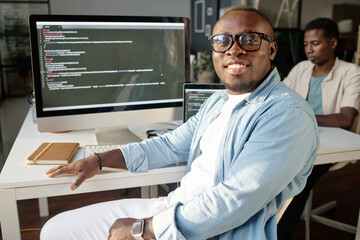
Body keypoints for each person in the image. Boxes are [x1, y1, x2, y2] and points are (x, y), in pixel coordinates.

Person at [41, 7, 319, 240]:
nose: (234, 50)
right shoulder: (219, 101)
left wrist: (143, 229)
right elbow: (170, 144)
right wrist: (99, 160)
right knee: (55, 229)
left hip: (213, 231)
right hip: (176, 208)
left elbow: (233, 201)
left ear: (271, 49)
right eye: (223, 41)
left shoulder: (287, 114)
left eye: (249, 39)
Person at [278, 18, 360, 240]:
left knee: (298, 174)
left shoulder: (351, 72)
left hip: (332, 144)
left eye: (315, 43)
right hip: (296, 137)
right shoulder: (301, 69)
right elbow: (278, 99)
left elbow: (345, 119)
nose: (309, 50)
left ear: (333, 43)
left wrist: (303, 116)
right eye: (305, 44)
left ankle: (279, 234)